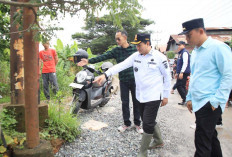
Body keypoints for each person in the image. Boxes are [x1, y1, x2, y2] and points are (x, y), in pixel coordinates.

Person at [93, 33, 171, 157]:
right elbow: (120, 65)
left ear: (147, 43)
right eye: (136, 46)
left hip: (154, 96)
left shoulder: (159, 57)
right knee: (147, 120)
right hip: (140, 95)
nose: (137, 48)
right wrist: (105, 75)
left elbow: (167, 77)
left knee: (147, 123)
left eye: (139, 45)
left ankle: (142, 152)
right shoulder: (135, 56)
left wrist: (166, 96)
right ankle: (159, 141)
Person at [181, 18, 232, 157]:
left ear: (201, 31)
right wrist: (190, 97)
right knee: (210, 138)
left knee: (202, 144)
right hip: (199, 102)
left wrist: (217, 100)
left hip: (210, 102)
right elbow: (195, 76)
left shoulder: (218, 48)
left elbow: (228, 75)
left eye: (188, 35)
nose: (186, 39)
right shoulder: (196, 51)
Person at [77, 30, 143, 133]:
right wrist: (89, 61)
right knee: (125, 102)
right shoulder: (116, 50)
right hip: (124, 80)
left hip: (135, 80)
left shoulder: (135, 49)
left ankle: (138, 124)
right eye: (116, 39)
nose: (117, 41)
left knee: (137, 101)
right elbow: (103, 56)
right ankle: (126, 123)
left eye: (119, 39)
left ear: (125, 38)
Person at [175, 41, 190, 105]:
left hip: (184, 73)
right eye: (178, 45)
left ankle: (186, 99)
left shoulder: (184, 52)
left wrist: (181, 72)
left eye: (179, 45)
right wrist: (177, 72)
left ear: (183, 45)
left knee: (179, 86)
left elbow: (185, 63)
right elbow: (179, 64)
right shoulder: (180, 53)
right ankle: (185, 99)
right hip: (180, 72)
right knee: (181, 86)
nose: (178, 46)